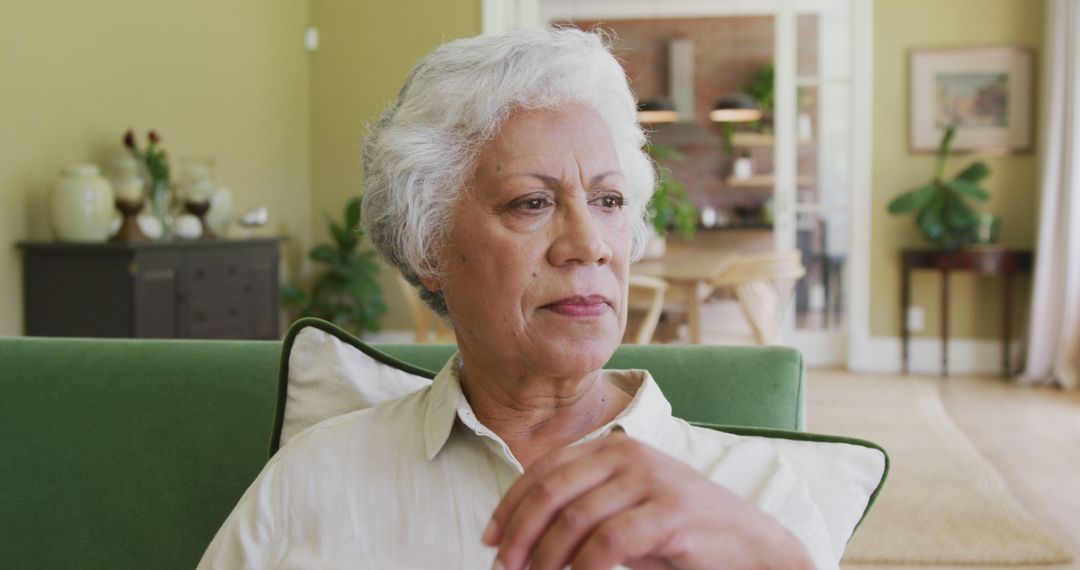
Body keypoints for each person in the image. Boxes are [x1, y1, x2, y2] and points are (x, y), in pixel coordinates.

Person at [199, 27, 834, 569]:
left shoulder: (750, 494)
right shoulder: (313, 478)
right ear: (430, 249)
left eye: (609, 202)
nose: (589, 245)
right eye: (532, 203)